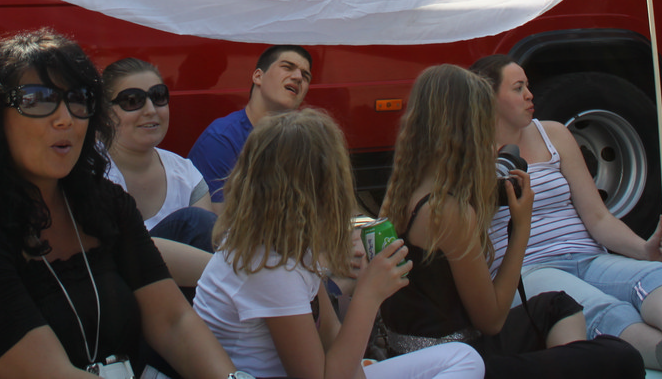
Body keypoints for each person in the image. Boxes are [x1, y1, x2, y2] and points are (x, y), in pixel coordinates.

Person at [0, 29, 238, 379]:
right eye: (38, 99)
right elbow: (50, 373)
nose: (65, 118)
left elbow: (173, 321)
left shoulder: (106, 202)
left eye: (79, 98)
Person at [471, 55, 662, 379]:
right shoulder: (469, 154)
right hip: (529, 268)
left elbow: (598, 218)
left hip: (587, 256)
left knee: (656, 276)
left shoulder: (554, 135)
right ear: (488, 98)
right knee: (598, 306)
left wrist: (644, 250)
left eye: (528, 86)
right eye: (518, 88)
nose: (530, 95)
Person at [378, 65, 644, 379]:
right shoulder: (449, 211)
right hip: (457, 364)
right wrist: (521, 229)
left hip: (414, 354)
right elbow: (491, 320)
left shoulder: (402, 190)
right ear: (467, 127)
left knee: (558, 305)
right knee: (623, 357)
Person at [194, 107, 482, 379]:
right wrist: (369, 295)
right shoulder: (271, 267)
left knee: (464, 357)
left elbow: (331, 334)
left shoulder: (284, 242)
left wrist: (368, 290)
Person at [102, 58, 216, 286]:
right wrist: (232, 276)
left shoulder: (186, 174)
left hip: (185, 294)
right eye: (132, 101)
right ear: (106, 113)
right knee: (192, 220)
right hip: (116, 291)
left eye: (158, 97)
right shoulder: (89, 170)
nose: (151, 110)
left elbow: (210, 242)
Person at [189, 45, 312, 203]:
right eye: (287, 67)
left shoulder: (304, 144)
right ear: (258, 76)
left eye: (305, 76)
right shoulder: (221, 140)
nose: (298, 77)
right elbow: (216, 216)